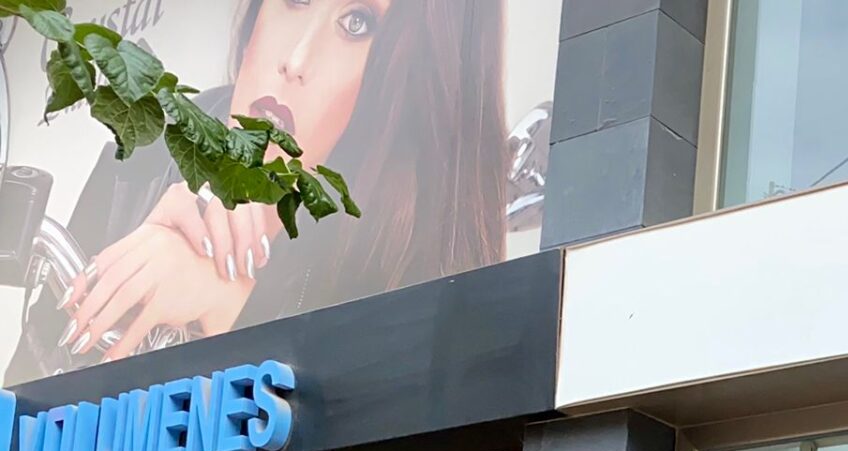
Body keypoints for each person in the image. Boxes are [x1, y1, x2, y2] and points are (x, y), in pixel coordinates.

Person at [11, 0, 508, 378]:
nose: (295, 60)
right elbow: (23, 397)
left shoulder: (410, 257)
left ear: (410, 80)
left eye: (356, 23)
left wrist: (235, 313)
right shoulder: (142, 158)